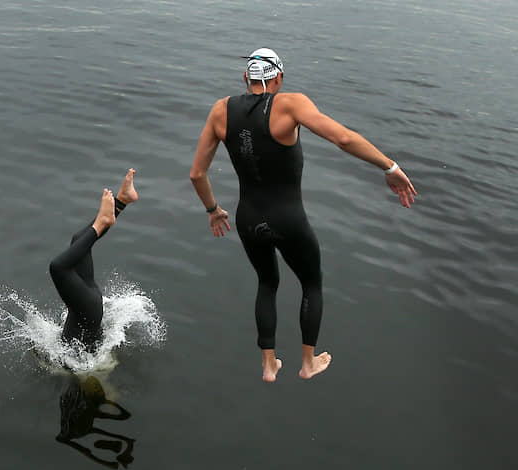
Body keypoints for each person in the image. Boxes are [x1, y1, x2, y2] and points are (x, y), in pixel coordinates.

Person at [188, 48, 417, 382]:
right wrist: (390, 166)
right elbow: (342, 137)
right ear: (278, 77)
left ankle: (269, 364)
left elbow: (197, 174)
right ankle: (307, 363)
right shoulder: (291, 104)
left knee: (267, 282)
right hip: (289, 220)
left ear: (246, 78)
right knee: (311, 283)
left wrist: (212, 210)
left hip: (248, 219)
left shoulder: (220, 111)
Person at [49, 169, 138, 352]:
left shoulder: (69, 364)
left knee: (75, 244)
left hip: (87, 310)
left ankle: (117, 205)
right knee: (62, 263)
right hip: (87, 310)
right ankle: (113, 209)